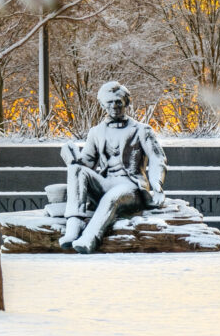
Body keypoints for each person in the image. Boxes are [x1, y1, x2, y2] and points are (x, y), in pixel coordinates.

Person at [59, 81, 167, 253]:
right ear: (103, 105)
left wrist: (157, 186)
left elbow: (157, 159)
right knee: (76, 170)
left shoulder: (142, 130)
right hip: (106, 182)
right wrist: (72, 158)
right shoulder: (96, 131)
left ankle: (90, 238)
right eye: (109, 102)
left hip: (131, 188)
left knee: (112, 197)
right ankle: (74, 223)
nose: (114, 106)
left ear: (126, 102)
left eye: (118, 101)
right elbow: (87, 161)